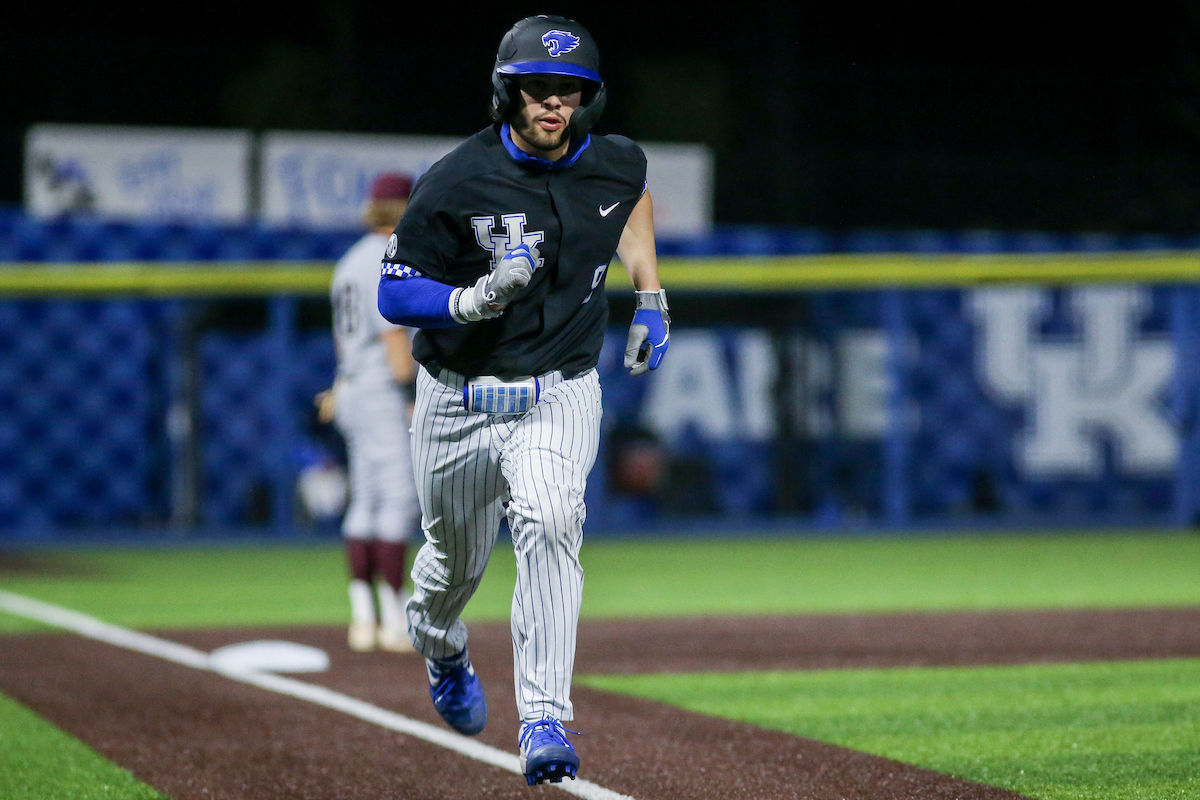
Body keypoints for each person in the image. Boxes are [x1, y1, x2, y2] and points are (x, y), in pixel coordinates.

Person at [375, 14, 670, 786]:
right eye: (538, 90)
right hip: (457, 400)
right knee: (450, 568)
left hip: (559, 390)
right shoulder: (456, 179)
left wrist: (652, 294)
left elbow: (631, 193)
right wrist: (470, 301)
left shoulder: (613, 161)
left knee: (550, 519)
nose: (554, 105)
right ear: (509, 92)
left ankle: (544, 716)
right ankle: (440, 644)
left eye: (569, 93)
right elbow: (393, 290)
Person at [316, 171, 422, 654]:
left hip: (353, 386)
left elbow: (344, 339)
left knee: (364, 502)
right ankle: (395, 620)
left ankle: (363, 617)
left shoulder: (347, 261)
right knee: (398, 501)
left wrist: (342, 383)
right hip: (382, 389)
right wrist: (411, 395)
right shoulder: (389, 256)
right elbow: (394, 334)